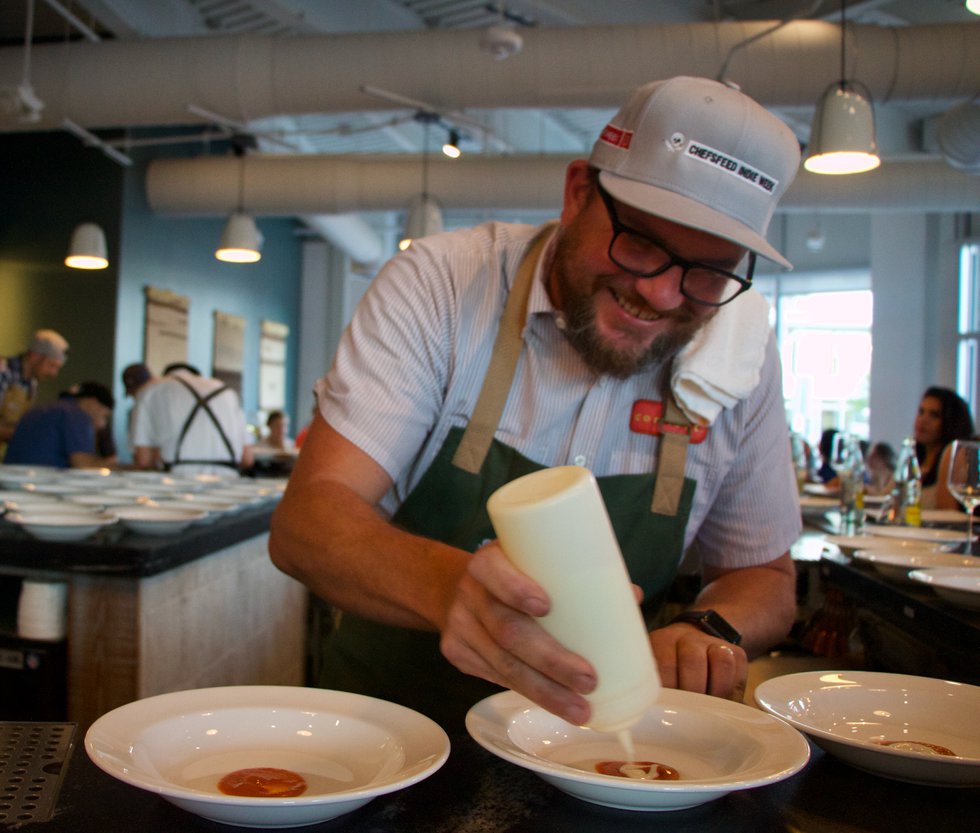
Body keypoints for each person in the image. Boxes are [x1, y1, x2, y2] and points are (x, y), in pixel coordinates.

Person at [269, 76, 802, 731]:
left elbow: (768, 576)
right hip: (391, 739)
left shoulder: (738, 353)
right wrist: (447, 587)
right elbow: (307, 522)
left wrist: (710, 625)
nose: (663, 296)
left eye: (709, 272)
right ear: (579, 192)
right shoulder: (445, 286)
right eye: (640, 243)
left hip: (595, 755)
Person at [130, 362, 253, 476]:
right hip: (228, 481)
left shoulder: (150, 390)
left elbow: (143, 460)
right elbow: (247, 459)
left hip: (174, 480)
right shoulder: (226, 391)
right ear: (199, 377)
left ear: (165, 376)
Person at [3, 381, 115, 469]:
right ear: (92, 402)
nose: (102, 424)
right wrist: (128, 468)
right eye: (103, 415)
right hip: (37, 484)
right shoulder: (76, 414)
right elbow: (83, 465)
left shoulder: (45, 409)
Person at [0, 329, 70, 456]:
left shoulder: (32, 383)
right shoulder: (3, 372)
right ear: (35, 356)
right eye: (51, 365)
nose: (53, 374)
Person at [912, 387, 974, 508]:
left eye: (934, 415)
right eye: (921, 412)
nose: (923, 420)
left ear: (951, 422)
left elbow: (947, 515)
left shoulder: (953, 457)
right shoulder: (913, 458)